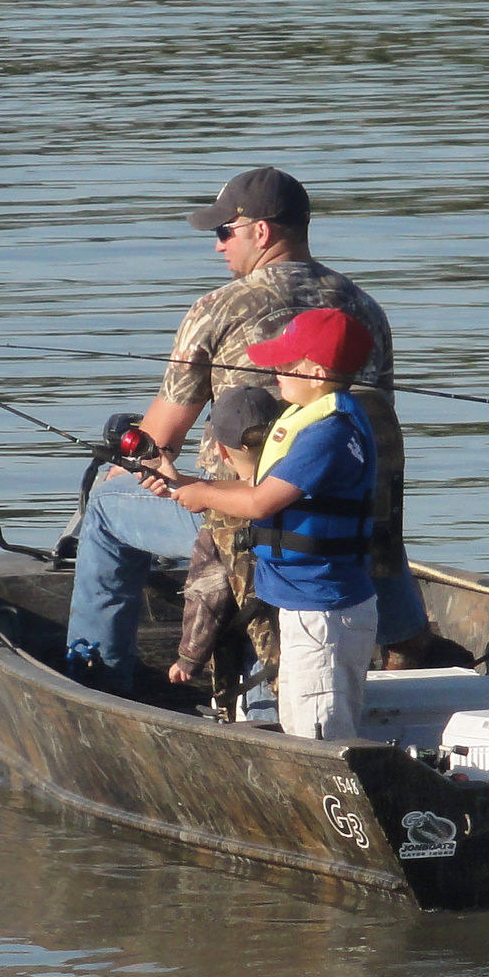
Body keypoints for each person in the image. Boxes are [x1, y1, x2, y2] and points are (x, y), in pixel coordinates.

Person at [63, 167, 425, 697]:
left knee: (103, 503)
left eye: (223, 232)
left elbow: (160, 439)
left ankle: (95, 679)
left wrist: (129, 449)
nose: (217, 248)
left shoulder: (217, 309)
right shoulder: (366, 312)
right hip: (356, 528)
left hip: (243, 525)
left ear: (261, 231)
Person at [153, 308, 379, 742]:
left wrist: (202, 496)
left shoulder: (327, 433)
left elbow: (260, 502)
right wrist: (187, 483)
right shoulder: (314, 421)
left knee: (320, 739)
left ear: (315, 373)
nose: (275, 373)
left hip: (323, 613)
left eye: (286, 364)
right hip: (307, 606)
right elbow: (259, 488)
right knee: (299, 730)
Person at [168, 384, 282, 709]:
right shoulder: (299, 488)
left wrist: (189, 658)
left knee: (244, 648)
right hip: (319, 631)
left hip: (267, 653)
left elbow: (208, 594)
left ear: (221, 451)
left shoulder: (221, 515)